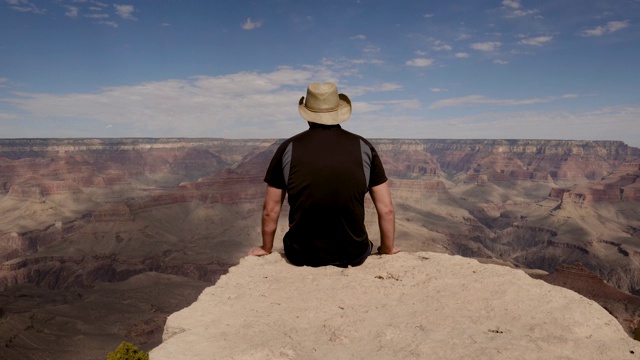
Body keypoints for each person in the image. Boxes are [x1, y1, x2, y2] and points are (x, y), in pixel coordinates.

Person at [249, 82, 399, 267]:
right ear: (338, 113)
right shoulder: (364, 148)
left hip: (300, 254)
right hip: (353, 254)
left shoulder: (288, 148)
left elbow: (270, 211)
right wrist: (387, 248)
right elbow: (386, 209)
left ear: (307, 114)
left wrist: (266, 248)